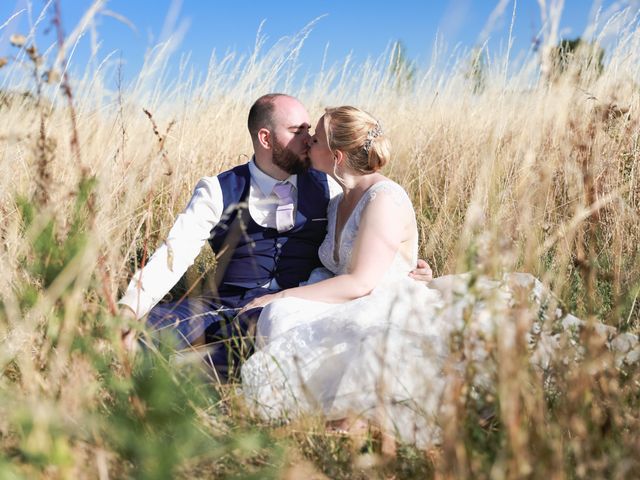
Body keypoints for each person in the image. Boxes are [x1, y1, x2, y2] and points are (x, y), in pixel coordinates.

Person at [239, 106, 639, 451]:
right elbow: (344, 266)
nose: (307, 143)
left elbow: (362, 281)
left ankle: (367, 422)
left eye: (317, 139)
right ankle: (347, 417)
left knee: (357, 338)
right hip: (362, 295)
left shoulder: (385, 197)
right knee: (291, 322)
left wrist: (284, 294)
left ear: (337, 155)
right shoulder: (338, 199)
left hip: (385, 299)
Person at [117, 94, 432, 378]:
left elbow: (365, 257)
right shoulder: (217, 190)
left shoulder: (333, 188)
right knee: (135, 331)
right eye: (299, 132)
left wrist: (404, 271)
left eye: (311, 132)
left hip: (293, 310)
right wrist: (130, 307)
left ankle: (194, 372)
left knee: (234, 350)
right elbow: (174, 254)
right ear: (266, 138)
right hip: (224, 306)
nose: (308, 140)